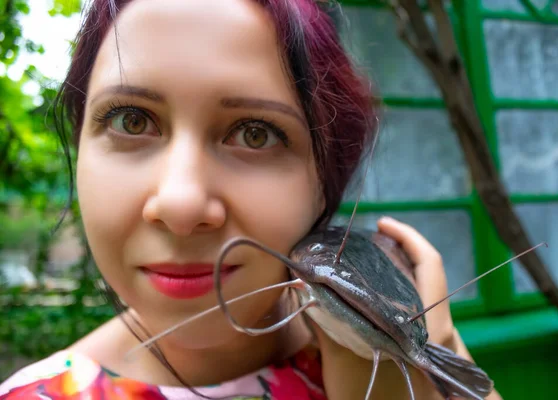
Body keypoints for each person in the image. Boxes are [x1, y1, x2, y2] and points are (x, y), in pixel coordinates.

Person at [0, 0, 501, 399]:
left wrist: (434, 359)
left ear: (326, 179)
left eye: (255, 133)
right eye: (131, 120)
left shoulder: (435, 354)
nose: (181, 203)